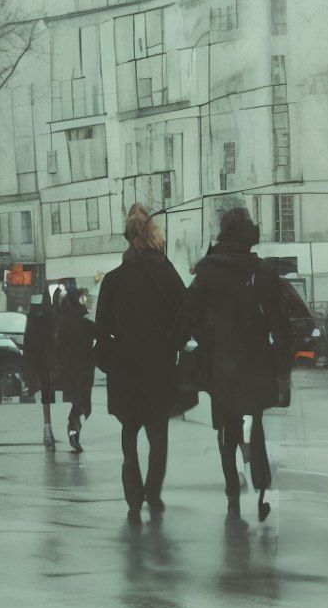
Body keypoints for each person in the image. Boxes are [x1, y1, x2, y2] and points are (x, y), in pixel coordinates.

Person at [184, 203, 303, 523]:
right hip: (256, 364)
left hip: (221, 365)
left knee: (227, 428)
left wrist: (203, 340)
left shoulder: (208, 270)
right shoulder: (262, 270)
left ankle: (231, 489)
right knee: (255, 423)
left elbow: (187, 313)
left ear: (223, 233)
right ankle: (262, 488)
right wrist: (282, 368)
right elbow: (281, 325)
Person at [92, 208, 188, 517]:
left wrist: (109, 361)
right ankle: (153, 492)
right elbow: (186, 313)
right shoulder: (166, 272)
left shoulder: (114, 279)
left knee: (129, 428)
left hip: (125, 365)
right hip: (159, 365)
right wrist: (172, 345)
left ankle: (133, 494)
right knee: (157, 432)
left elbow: (101, 329)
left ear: (128, 237)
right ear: (153, 235)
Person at [23, 281, 93, 450]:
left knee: (77, 396)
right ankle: (55, 428)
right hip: (56, 360)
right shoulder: (47, 315)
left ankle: (65, 430)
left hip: (68, 361)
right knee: (67, 393)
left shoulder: (72, 316)